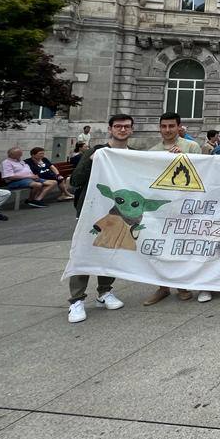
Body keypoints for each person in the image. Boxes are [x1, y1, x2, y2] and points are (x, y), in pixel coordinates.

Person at [66, 113, 133, 323]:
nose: (122, 130)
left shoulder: (133, 155)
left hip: (117, 215)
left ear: (131, 130)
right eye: (118, 126)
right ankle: (76, 300)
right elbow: (75, 181)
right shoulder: (97, 152)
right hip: (91, 211)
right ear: (110, 129)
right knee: (83, 253)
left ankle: (104, 292)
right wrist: (91, 163)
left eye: (126, 127)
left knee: (110, 252)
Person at [144, 112, 202, 306]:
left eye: (171, 126)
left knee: (181, 247)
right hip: (161, 208)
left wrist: (184, 159)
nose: (167, 130)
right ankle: (162, 287)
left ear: (179, 127)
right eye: (164, 126)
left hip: (184, 205)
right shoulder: (153, 151)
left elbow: (202, 172)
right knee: (160, 248)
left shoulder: (191, 147)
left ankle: (182, 285)